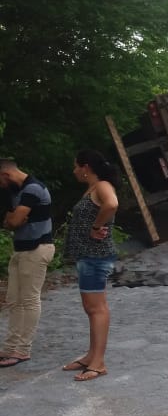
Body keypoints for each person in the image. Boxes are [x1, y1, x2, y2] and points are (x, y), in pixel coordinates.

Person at [61, 150, 120, 381]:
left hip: (96, 256)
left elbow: (112, 204)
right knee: (92, 307)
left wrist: (96, 227)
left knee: (97, 308)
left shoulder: (102, 185)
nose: (74, 170)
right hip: (89, 256)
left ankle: (98, 362)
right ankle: (91, 356)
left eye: (76, 166)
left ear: (86, 167)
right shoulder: (93, 188)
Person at [0, 158, 55, 368]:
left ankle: (23, 349)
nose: (1, 186)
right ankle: (11, 346)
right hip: (20, 249)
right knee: (13, 300)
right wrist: (13, 219)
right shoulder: (16, 191)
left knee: (30, 300)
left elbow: (13, 221)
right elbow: (9, 220)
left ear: (5, 174)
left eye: (0, 181)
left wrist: (13, 220)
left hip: (36, 249)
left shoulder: (33, 188)